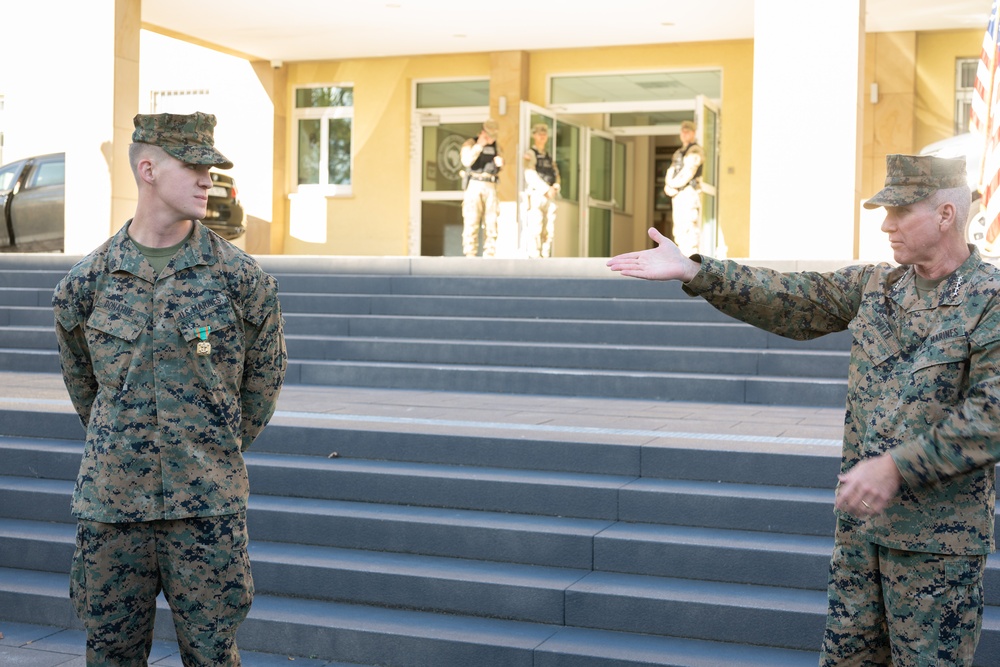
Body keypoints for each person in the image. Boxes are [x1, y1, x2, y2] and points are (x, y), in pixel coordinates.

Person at [608, 154, 995, 666]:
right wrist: (696, 271)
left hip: (935, 549)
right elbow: (792, 297)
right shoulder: (877, 287)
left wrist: (897, 466)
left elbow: (992, 414)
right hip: (861, 535)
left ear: (946, 214)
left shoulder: (989, 298)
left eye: (900, 212)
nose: (886, 224)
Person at [52, 111, 287, 666]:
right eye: (195, 165)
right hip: (113, 510)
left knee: (211, 656)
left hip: (205, 508)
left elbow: (261, 389)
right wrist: (131, 443)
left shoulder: (241, 281)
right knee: (110, 655)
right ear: (149, 168)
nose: (210, 179)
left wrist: (205, 447)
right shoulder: (85, 285)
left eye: (213, 167)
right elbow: (87, 391)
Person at [460, 118, 504, 257]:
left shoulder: (497, 146)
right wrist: (479, 145)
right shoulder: (471, 143)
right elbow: (466, 161)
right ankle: (470, 253)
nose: (491, 139)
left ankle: (490, 253)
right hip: (475, 184)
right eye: (489, 135)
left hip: (491, 185)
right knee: (472, 220)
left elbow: (500, 164)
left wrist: (500, 163)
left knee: (491, 222)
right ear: (483, 132)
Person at [663, 120, 704, 256]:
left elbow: (689, 172)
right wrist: (668, 185)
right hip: (678, 194)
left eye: (688, 131)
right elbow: (672, 169)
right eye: (683, 131)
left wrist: (673, 185)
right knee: (679, 230)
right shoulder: (679, 152)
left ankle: (691, 260)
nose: (684, 134)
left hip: (688, 193)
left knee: (689, 229)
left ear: (693, 133)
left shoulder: (695, 151)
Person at [522, 122, 560, 258]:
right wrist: (545, 189)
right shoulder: (531, 154)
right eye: (539, 134)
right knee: (535, 228)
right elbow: (529, 174)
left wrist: (555, 186)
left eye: (544, 134)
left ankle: (545, 256)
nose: (542, 136)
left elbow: (555, 173)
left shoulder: (548, 156)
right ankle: (535, 257)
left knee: (549, 229)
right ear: (534, 136)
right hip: (537, 195)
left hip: (550, 196)